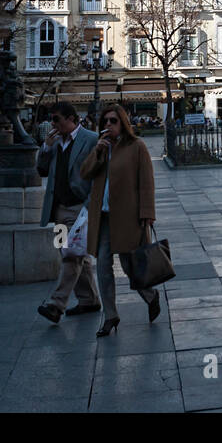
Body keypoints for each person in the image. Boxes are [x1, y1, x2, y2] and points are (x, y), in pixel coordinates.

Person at [80, 103, 159, 335]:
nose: (108, 125)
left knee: (129, 266)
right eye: (105, 121)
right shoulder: (101, 148)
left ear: (122, 123)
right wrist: (98, 152)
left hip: (127, 217)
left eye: (113, 121)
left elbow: (147, 183)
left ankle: (151, 295)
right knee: (103, 266)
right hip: (103, 217)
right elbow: (85, 173)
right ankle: (111, 315)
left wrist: (147, 214)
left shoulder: (136, 147)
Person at [35, 102, 101, 324]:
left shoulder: (90, 139)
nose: (52, 124)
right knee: (69, 253)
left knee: (72, 255)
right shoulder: (55, 142)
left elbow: (100, 175)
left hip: (78, 209)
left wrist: (90, 205)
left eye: (56, 119)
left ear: (71, 119)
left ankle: (56, 304)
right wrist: (45, 147)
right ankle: (89, 299)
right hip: (59, 210)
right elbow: (42, 170)